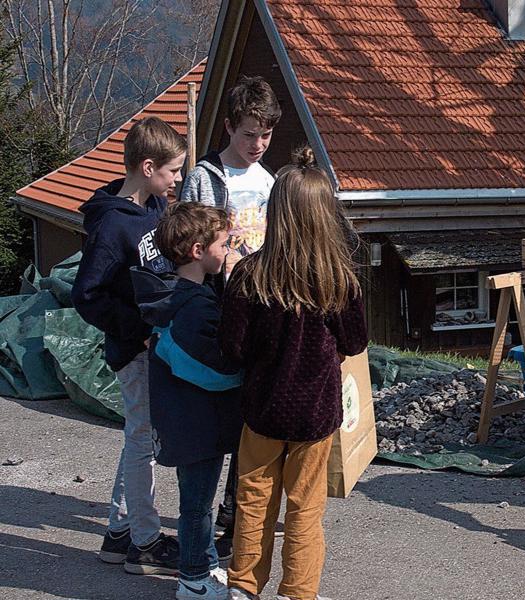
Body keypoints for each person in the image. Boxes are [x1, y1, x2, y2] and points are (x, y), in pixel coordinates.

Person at [220, 147, 368, 600]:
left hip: (262, 410)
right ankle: (298, 592)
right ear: (328, 215)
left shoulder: (249, 274)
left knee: (253, 500)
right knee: (305, 508)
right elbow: (355, 343)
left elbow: (233, 349)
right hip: (314, 416)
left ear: (276, 212)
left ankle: (243, 586)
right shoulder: (339, 279)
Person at [71, 116, 184, 573]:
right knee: (144, 442)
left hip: (152, 344)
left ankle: (119, 533)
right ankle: (145, 542)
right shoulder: (114, 227)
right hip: (134, 350)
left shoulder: (153, 208)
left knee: (138, 437)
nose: (178, 180)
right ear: (147, 165)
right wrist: (133, 330)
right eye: (173, 171)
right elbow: (86, 294)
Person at [180, 74, 281, 552]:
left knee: (251, 419)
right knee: (217, 418)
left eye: (265, 135)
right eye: (248, 134)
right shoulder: (205, 177)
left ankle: (236, 511)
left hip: (260, 306)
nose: (257, 144)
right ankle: (203, 521)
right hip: (219, 307)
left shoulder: (271, 182)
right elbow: (185, 242)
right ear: (228, 128)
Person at [131, 203, 245, 599]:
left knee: (198, 502)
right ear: (198, 250)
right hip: (197, 423)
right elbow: (207, 370)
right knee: (197, 506)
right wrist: (243, 373)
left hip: (186, 419)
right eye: (224, 245)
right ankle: (193, 580)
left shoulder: (174, 296)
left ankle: (207, 567)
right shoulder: (195, 306)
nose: (228, 252)